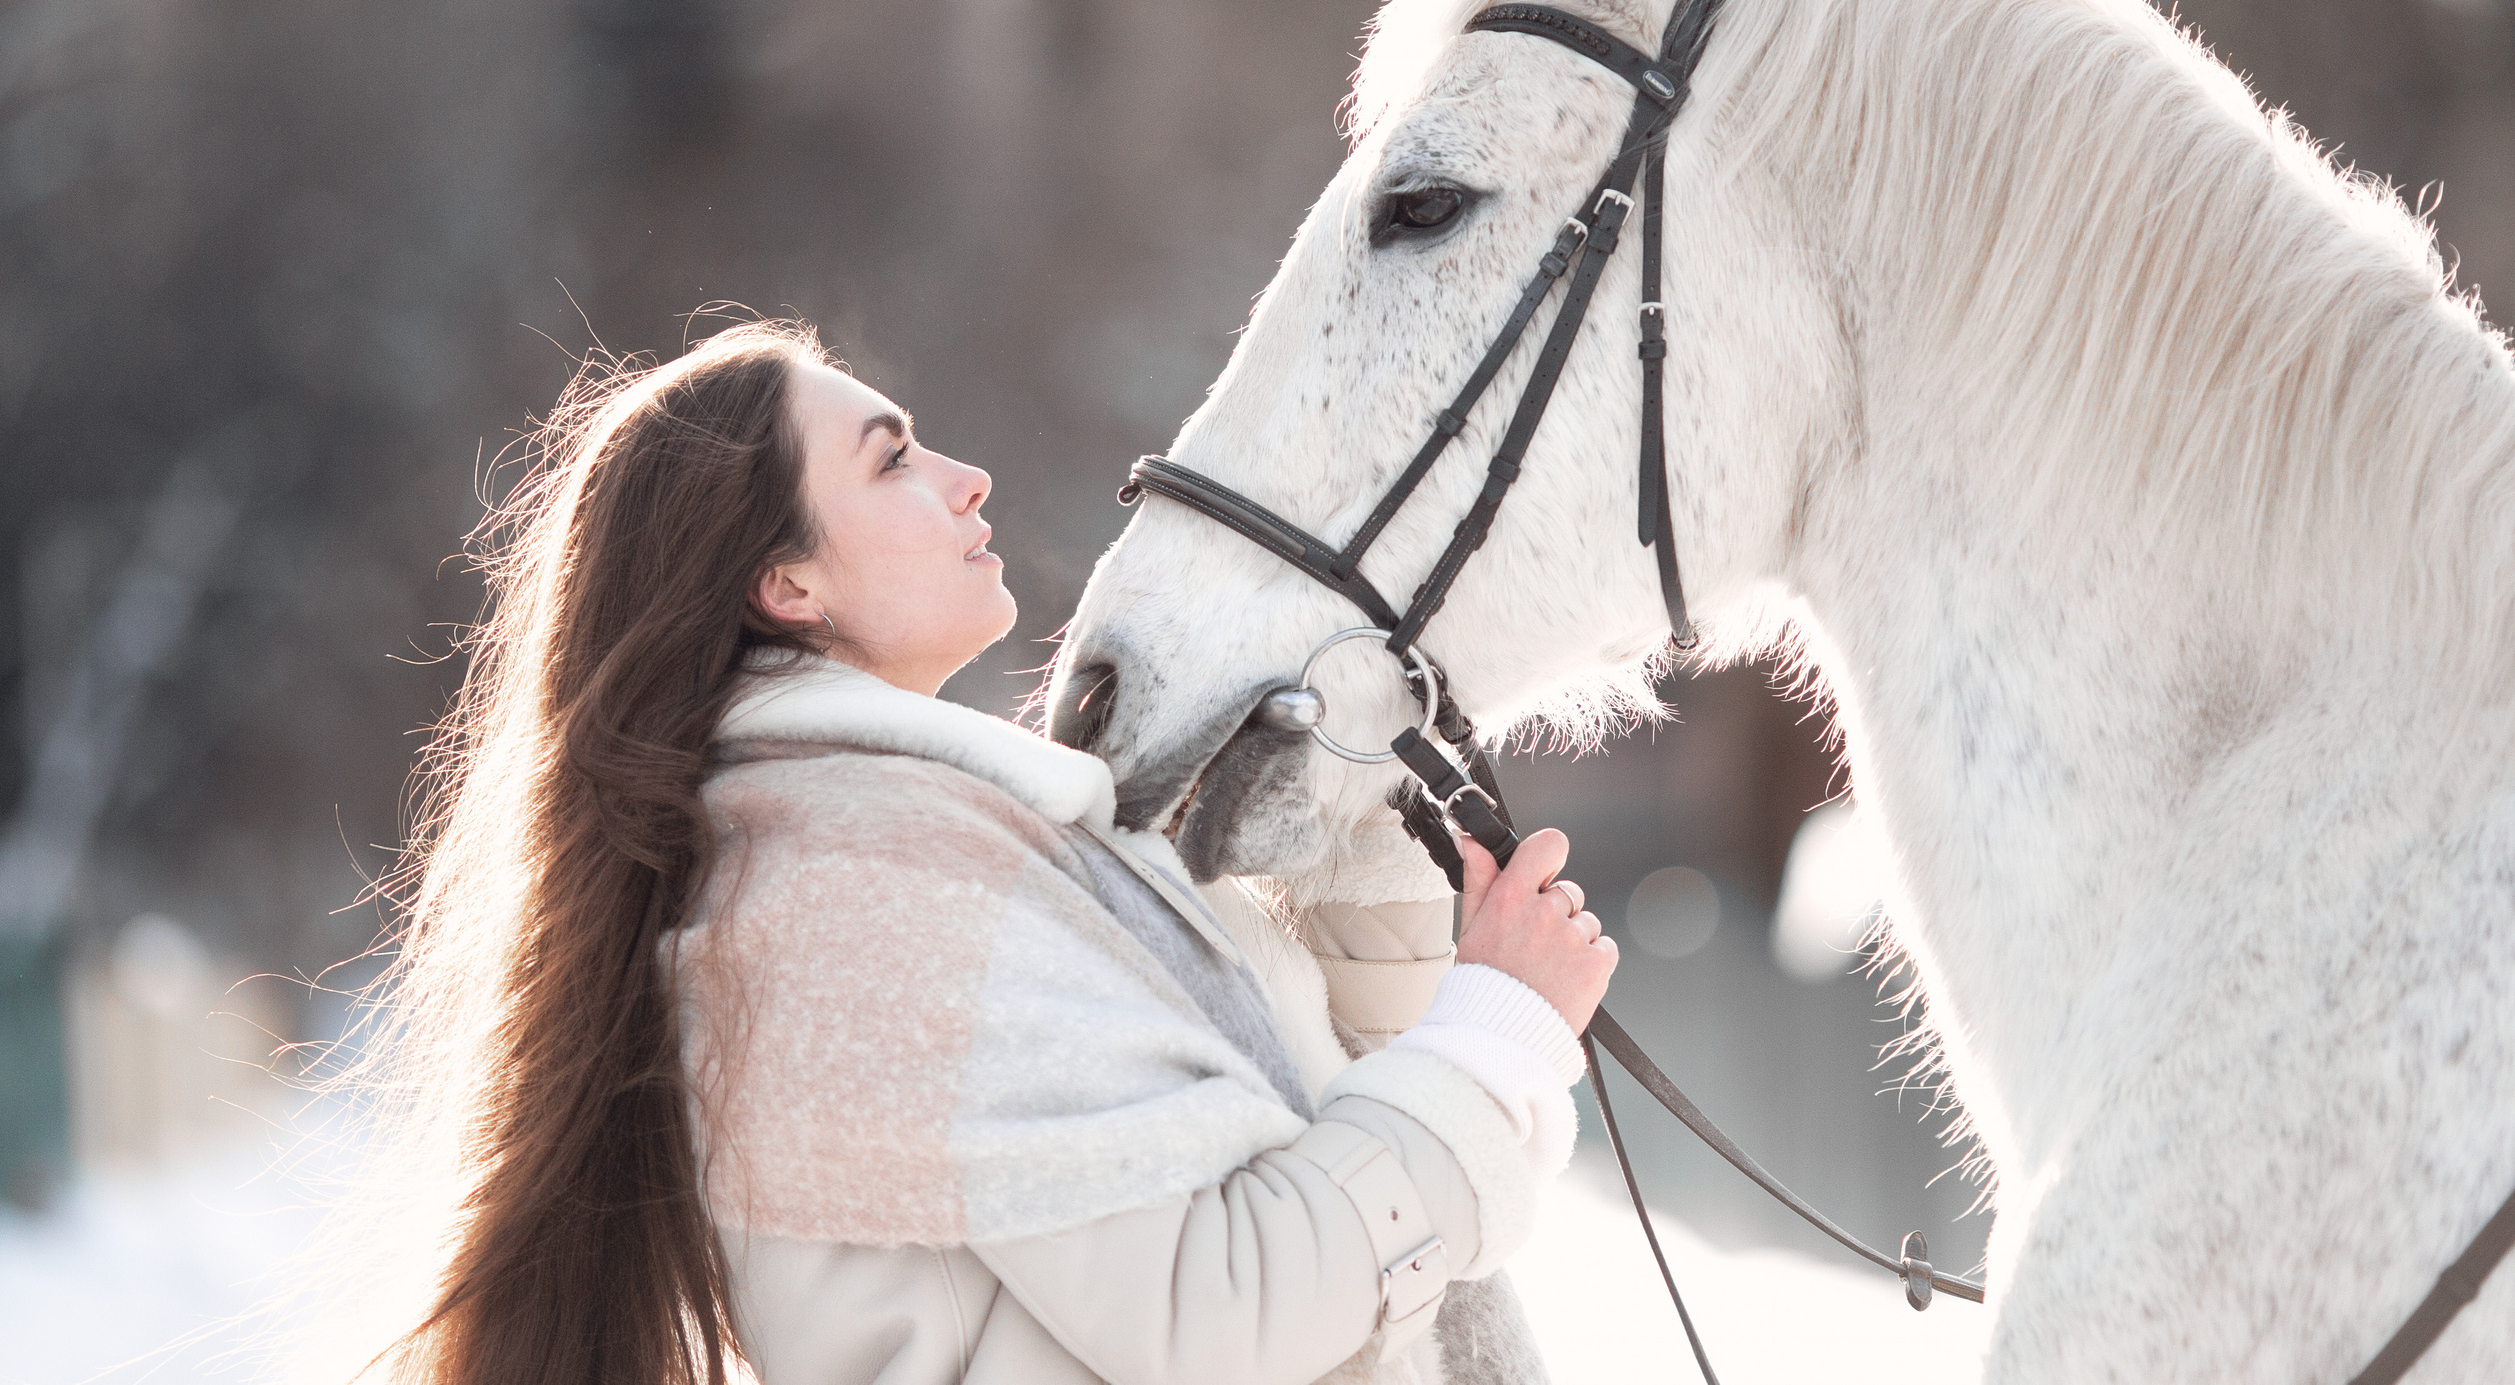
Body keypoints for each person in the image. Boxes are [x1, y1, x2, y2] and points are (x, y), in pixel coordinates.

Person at [359, 319, 1616, 1385]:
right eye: (893, 458)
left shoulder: (880, 848)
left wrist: (1363, 886)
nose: (966, 478)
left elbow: (1296, 1148)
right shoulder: (860, 898)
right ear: (787, 584)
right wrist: (1497, 1028)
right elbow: (1233, 1307)